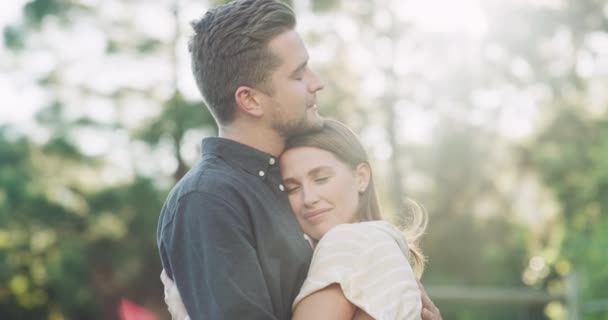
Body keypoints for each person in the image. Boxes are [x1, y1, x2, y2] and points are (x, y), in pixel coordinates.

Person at [157, 0, 442, 319]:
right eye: (297, 74)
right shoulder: (209, 200)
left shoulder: (282, 182)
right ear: (250, 99)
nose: (316, 82)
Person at [162, 119, 433, 319]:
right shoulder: (382, 243)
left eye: (321, 178)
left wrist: (186, 314)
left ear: (361, 177)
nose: (308, 198)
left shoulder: (349, 242)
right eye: (292, 187)